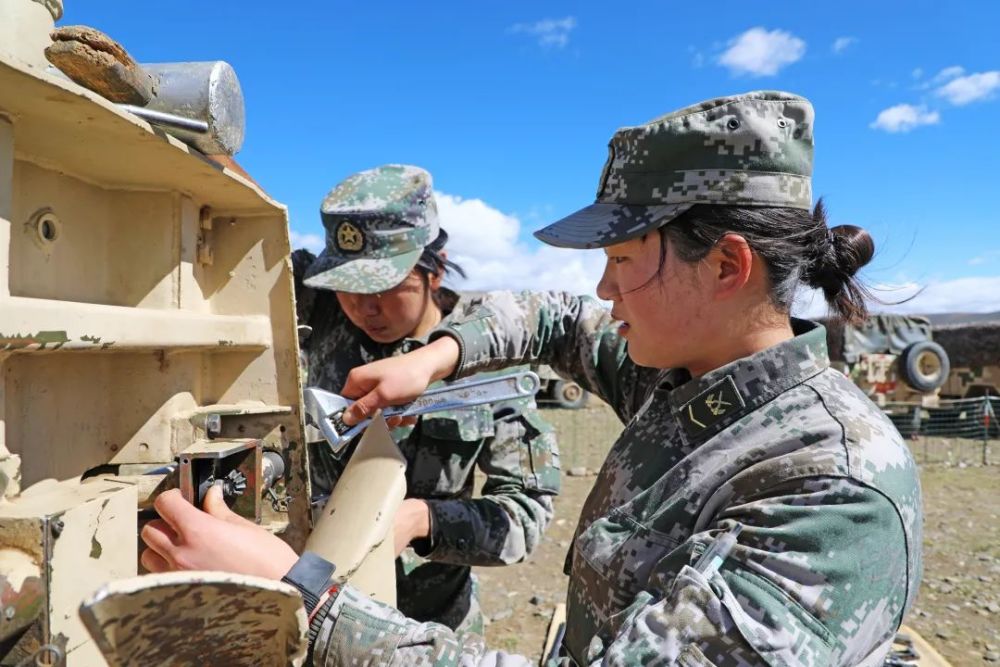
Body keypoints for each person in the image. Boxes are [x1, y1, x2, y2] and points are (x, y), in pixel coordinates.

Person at [141, 92, 922, 666]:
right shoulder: (686, 380)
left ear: (726, 265)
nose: (605, 291)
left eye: (620, 261)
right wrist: (433, 357)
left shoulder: (830, 491)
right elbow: (550, 319)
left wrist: (302, 595)